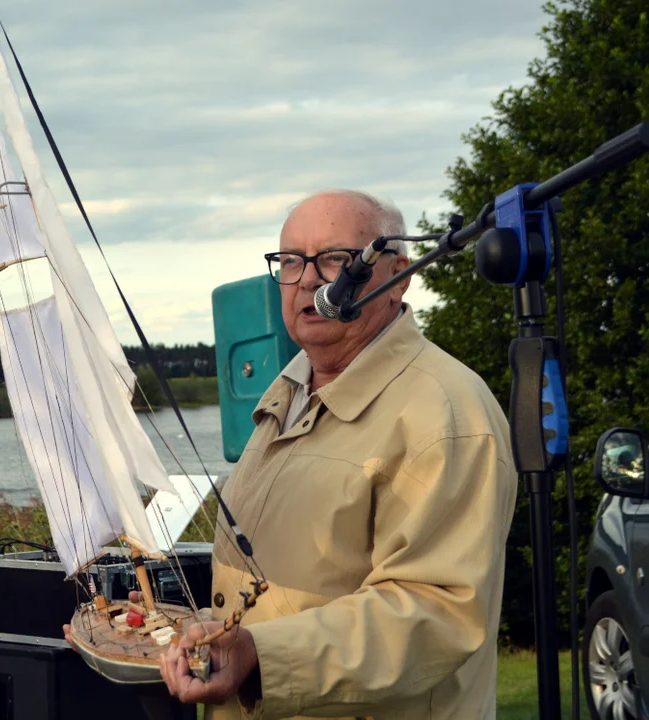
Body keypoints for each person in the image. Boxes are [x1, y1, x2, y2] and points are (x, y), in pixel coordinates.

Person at [159, 190, 519, 719]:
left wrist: (259, 655)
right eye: (289, 261)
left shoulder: (444, 412)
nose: (307, 279)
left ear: (400, 275)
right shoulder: (288, 393)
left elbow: (438, 611)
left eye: (334, 259)